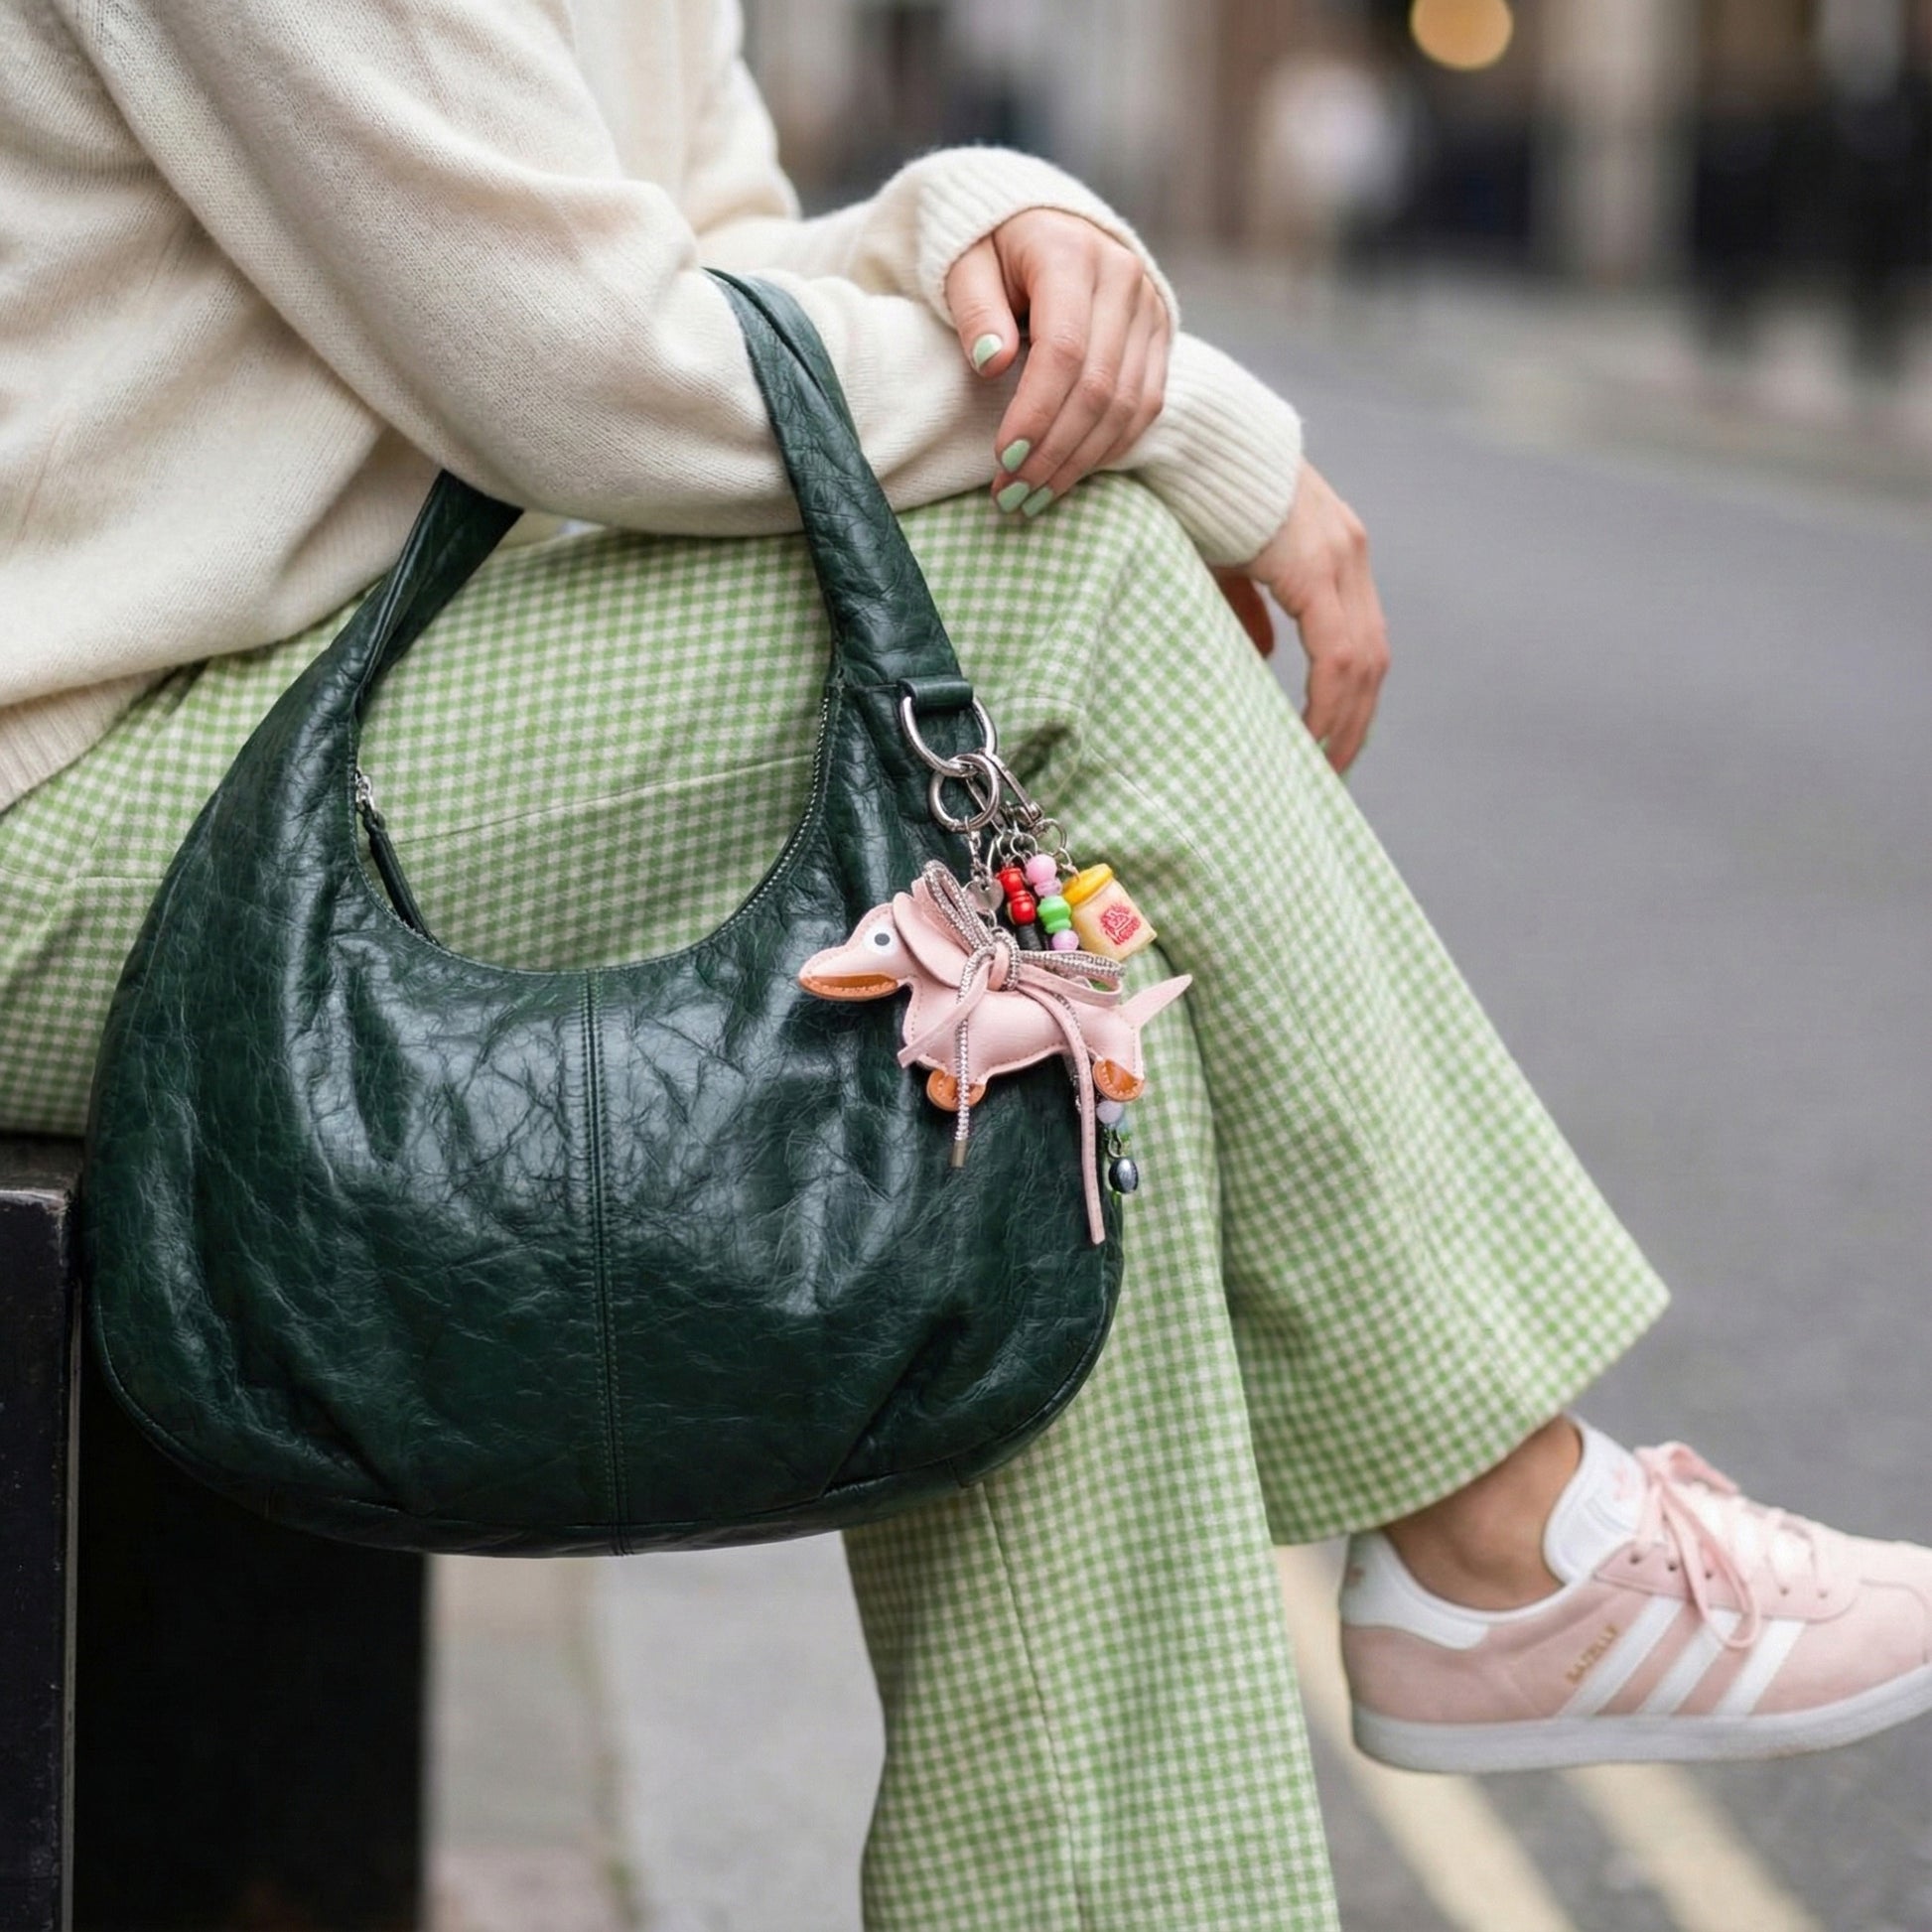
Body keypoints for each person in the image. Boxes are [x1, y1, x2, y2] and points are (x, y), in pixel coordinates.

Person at [2, 2, 1926, 1925]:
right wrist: (1179, 421)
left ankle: (1341, 1712)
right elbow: (585, 368)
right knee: (1054, 583)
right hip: (74, 785)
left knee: (1042, 1003)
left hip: (292, 704)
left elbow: (708, 256)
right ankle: (1503, 1531)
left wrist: (982, 229)